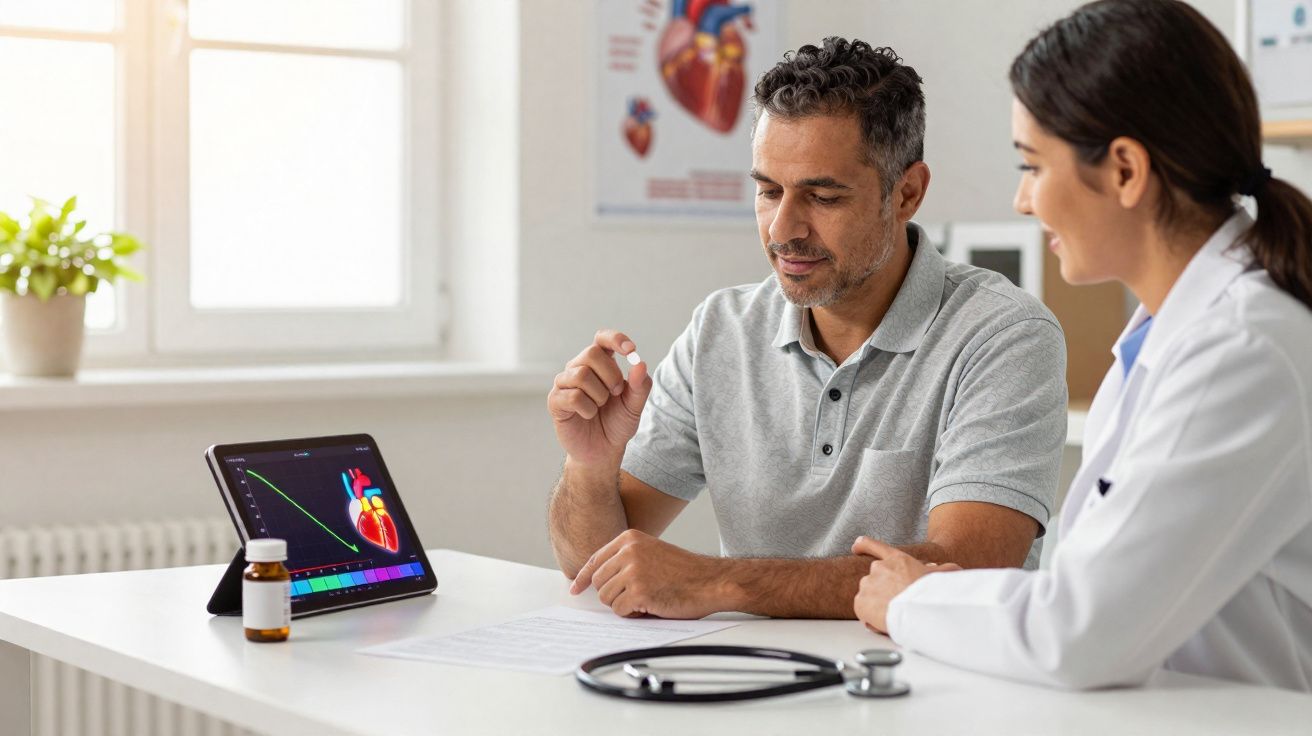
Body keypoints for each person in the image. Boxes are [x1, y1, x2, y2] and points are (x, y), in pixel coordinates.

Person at [853, 0, 1312, 692]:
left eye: (1032, 166)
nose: (1022, 200)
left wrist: (911, 600)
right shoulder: (1173, 332)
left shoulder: (1241, 348)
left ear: (1125, 171)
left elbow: (1080, 632)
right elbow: (1087, 586)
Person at [546, 38, 1069, 620]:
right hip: (756, 684)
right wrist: (590, 465)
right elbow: (593, 567)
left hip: (926, 690)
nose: (784, 228)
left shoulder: (1004, 335)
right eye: (768, 191)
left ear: (907, 193)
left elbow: (966, 571)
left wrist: (721, 582)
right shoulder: (721, 329)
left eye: (822, 196)